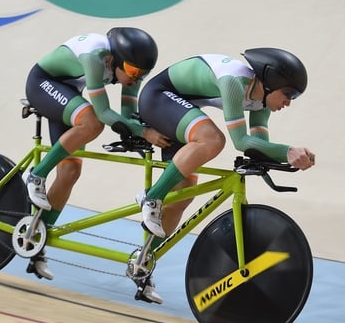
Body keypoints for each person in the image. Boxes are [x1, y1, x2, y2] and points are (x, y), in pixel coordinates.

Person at [133, 48, 316, 304]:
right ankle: (152, 197)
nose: (289, 102)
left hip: (179, 107)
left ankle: (142, 264)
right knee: (213, 139)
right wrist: (288, 151)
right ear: (271, 83)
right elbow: (241, 141)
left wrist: (291, 158)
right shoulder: (234, 83)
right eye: (289, 94)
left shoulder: (261, 101)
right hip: (159, 97)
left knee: (183, 193)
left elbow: (257, 146)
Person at [21, 27, 170, 281]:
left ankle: (36, 241)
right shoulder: (95, 56)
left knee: (70, 171)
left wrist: (138, 132)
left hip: (68, 93)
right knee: (91, 122)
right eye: (132, 71)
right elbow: (103, 113)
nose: (135, 78)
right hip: (43, 84)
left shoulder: (130, 70)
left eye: (142, 73)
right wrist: (145, 132)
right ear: (115, 60)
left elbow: (127, 114)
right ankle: (36, 175)